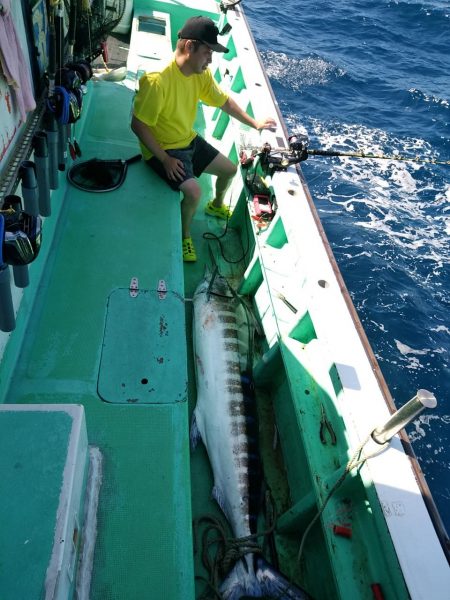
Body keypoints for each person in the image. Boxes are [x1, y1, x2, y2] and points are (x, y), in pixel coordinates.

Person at [131, 15, 277, 262]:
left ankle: (217, 205)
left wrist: (255, 123)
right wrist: (165, 159)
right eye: (208, 52)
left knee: (229, 170)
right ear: (190, 47)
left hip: (188, 140)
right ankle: (185, 235)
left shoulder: (201, 74)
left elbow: (224, 102)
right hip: (164, 150)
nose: (211, 60)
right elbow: (138, 125)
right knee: (194, 192)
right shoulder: (157, 82)